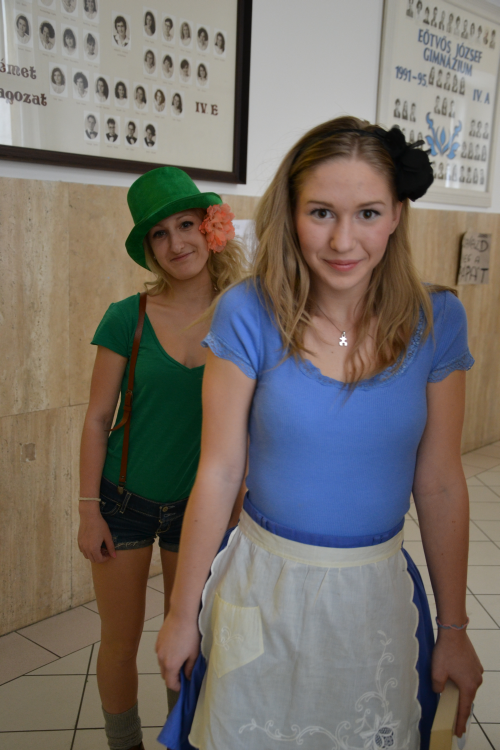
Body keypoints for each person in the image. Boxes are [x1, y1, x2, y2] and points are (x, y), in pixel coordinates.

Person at [155, 116, 483, 750]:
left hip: (374, 597)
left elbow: (440, 482)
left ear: (396, 216)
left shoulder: (437, 320)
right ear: (291, 212)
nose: (342, 240)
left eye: (368, 213)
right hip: (261, 584)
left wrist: (454, 628)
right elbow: (219, 472)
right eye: (321, 212)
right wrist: (180, 614)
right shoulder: (247, 312)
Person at [78, 166, 248, 750]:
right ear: (149, 249)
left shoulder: (242, 315)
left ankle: (182, 740)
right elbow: (97, 419)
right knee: (119, 642)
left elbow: (256, 420)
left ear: (210, 228)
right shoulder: (127, 317)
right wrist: (89, 511)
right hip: (122, 502)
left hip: (201, 508)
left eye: (186, 225)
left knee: (189, 639)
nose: (176, 243)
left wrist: (243, 496)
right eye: (159, 233)